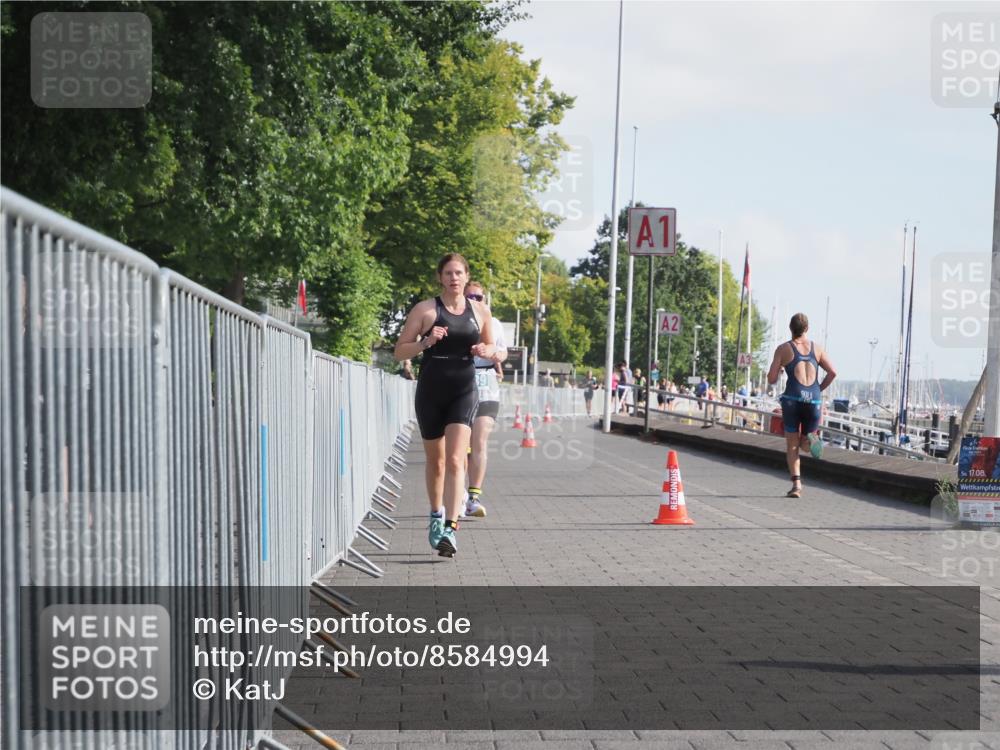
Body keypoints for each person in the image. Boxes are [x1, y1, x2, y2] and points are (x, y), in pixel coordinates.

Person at [394, 253, 496, 557]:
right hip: (431, 389)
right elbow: (400, 351)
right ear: (440, 277)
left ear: (466, 277)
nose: (454, 278)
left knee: (455, 460)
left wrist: (484, 348)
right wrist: (425, 342)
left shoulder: (480, 311)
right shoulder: (425, 310)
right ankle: (436, 515)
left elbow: (492, 347)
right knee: (436, 462)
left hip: (464, 388)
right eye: (449, 273)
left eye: (459, 273)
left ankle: (451, 528)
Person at [767, 312, 837, 498]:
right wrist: (818, 390)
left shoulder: (783, 349)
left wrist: (781, 370)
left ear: (791, 329)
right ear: (807, 328)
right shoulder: (818, 349)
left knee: (792, 445)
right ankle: (811, 440)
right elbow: (832, 372)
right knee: (806, 442)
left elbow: (772, 379)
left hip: (793, 399)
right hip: (813, 400)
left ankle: (797, 484)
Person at [464, 281, 507, 519]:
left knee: (479, 441)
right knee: (461, 446)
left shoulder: (495, 323)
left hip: (487, 384)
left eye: (479, 297)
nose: (475, 301)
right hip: (462, 382)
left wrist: (492, 353)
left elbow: (502, 352)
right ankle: (458, 495)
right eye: (471, 296)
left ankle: (473, 498)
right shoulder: (456, 318)